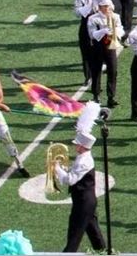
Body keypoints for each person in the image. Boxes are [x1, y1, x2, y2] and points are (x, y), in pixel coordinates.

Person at [54, 102, 105, 253]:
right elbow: (74, 173)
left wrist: (56, 168)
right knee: (94, 232)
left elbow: (70, 180)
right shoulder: (82, 157)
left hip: (83, 201)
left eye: (77, 144)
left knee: (74, 234)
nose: (75, 146)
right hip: (85, 200)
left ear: (83, 146)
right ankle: (103, 252)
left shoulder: (84, 160)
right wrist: (64, 168)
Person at [86, 0, 123, 107]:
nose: (107, 9)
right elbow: (92, 35)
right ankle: (96, 95)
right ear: (100, 7)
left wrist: (115, 32)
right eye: (104, 6)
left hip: (110, 47)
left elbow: (121, 29)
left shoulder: (115, 17)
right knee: (96, 71)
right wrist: (104, 30)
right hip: (97, 47)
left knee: (113, 71)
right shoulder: (93, 19)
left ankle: (111, 97)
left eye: (108, 6)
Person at [75, 0, 101, 86]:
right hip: (85, 26)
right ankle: (87, 76)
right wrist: (91, 4)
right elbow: (79, 13)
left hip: (98, 26)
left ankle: (97, 75)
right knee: (85, 53)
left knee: (97, 52)